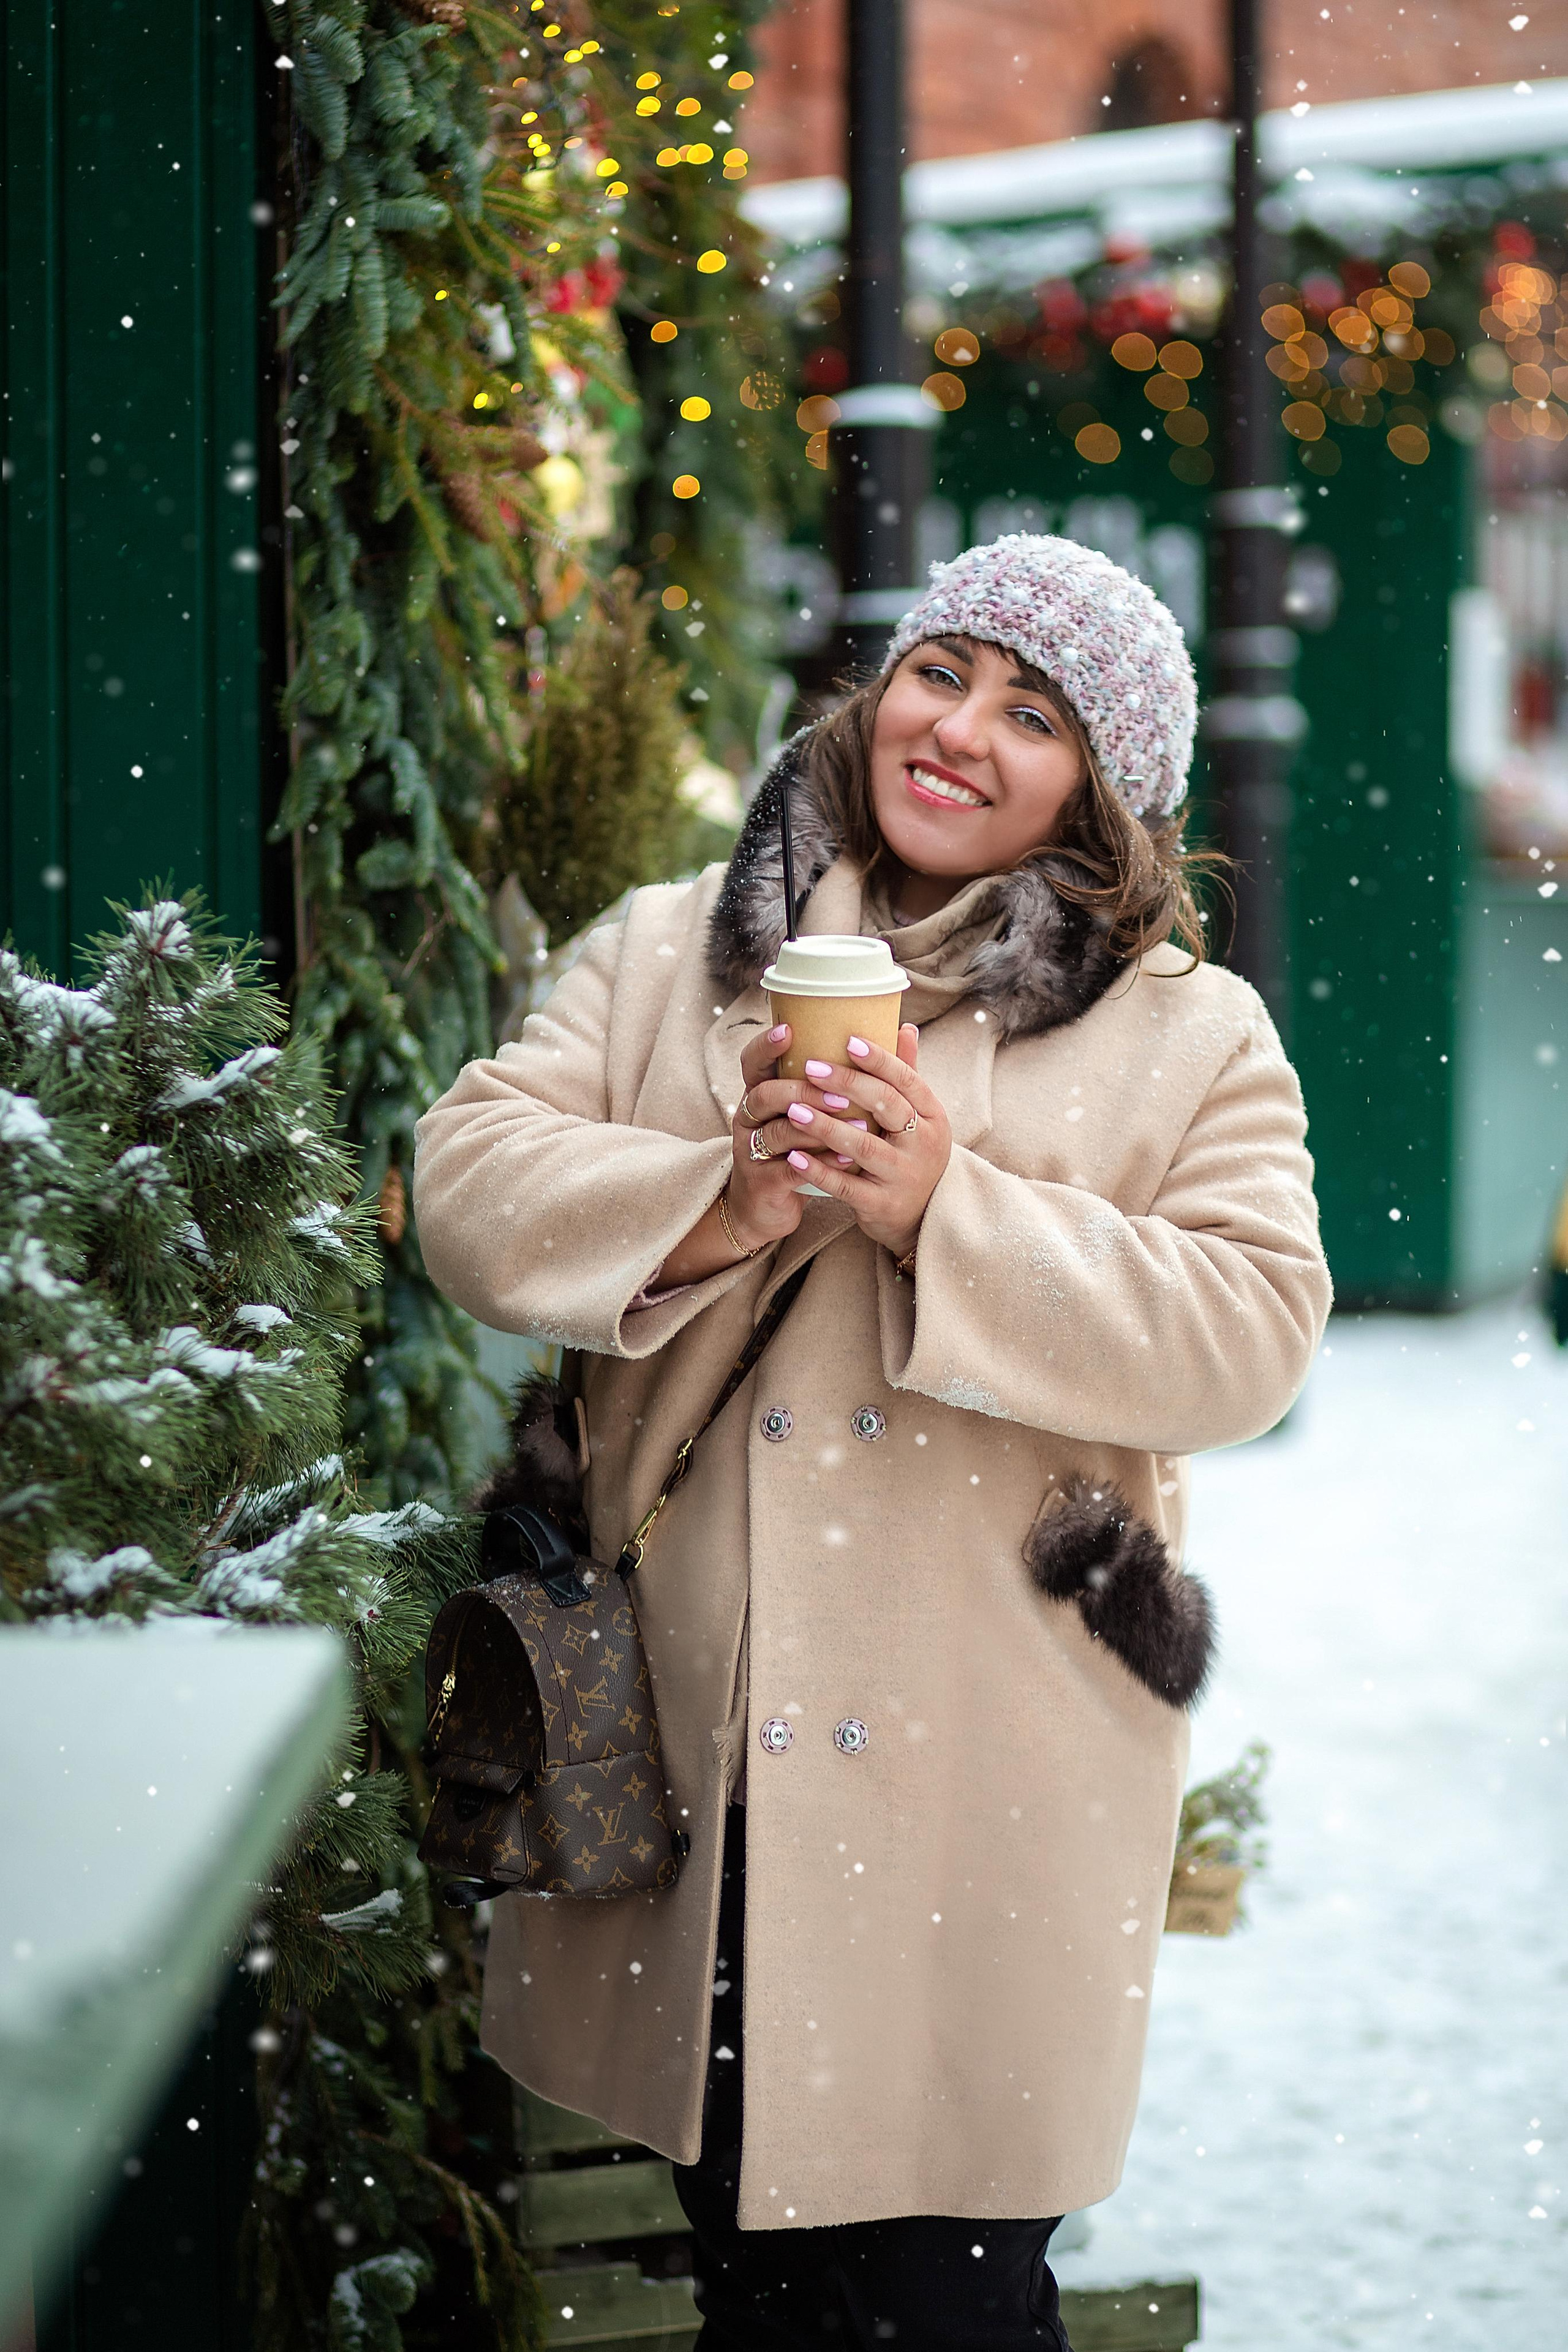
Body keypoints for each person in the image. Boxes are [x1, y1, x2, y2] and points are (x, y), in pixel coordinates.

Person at [412, 533, 1332, 2350]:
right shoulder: (667, 950)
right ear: (881, 688)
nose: (963, 733)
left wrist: (944, 1214)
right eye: (943, 675)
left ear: (1101, 793)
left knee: (951, 2294)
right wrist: (723, 1200)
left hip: (984, 1769)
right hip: (704, 1765)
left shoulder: (1186, 1033)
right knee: (762, 2291)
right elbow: (470, 1183)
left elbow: (1251, 1334)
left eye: (1036, 716)